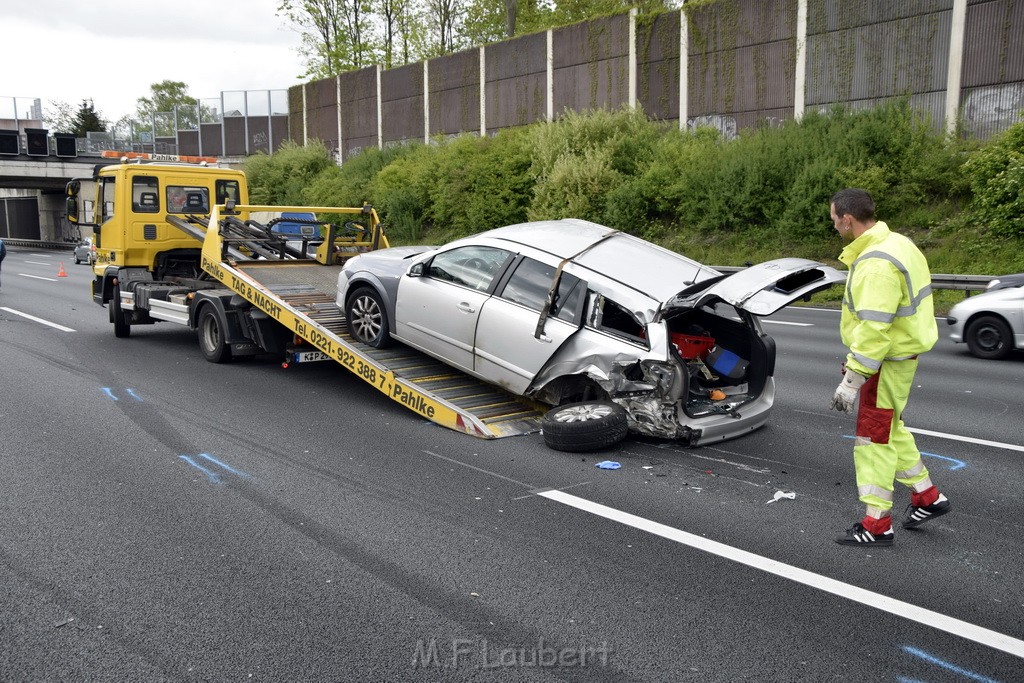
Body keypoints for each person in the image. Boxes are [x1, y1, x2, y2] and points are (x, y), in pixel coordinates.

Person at [828, 188, 951, 546]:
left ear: (847, 219)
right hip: (900, 358)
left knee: (872, 439)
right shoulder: (899, 244)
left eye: (834, 218)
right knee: (890, 427)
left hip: (882, 364)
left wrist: (853, 379)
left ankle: (876, 524)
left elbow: (874, 329)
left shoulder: (875, 264)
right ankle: (927, 497)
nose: (834, 224)